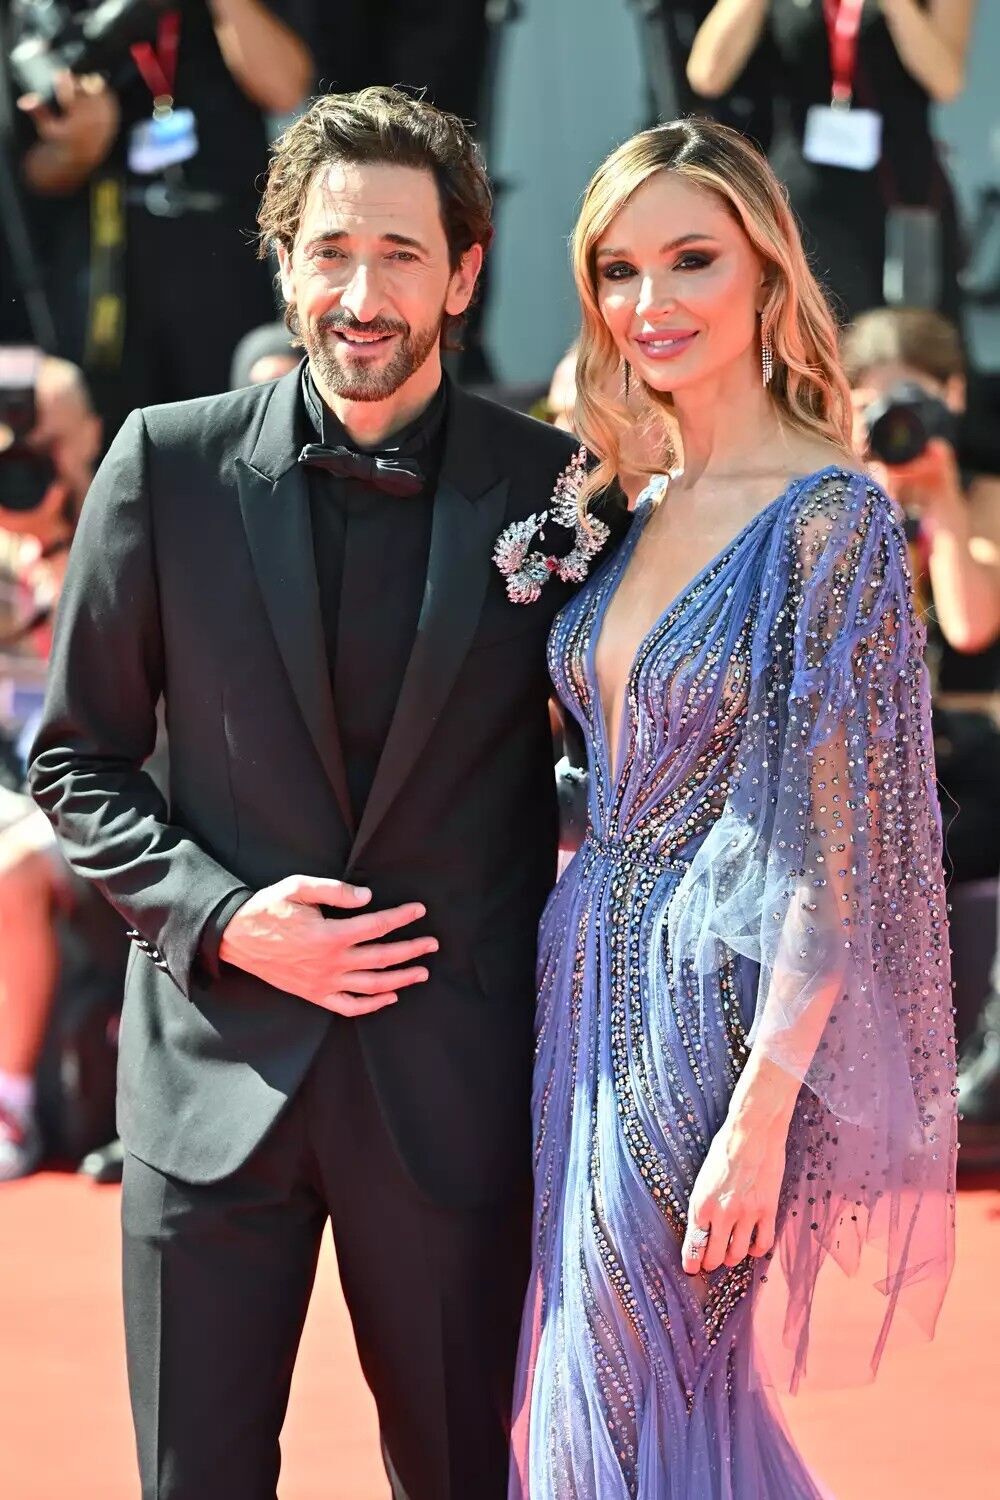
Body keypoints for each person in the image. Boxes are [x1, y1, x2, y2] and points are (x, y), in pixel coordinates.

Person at [28, 86, 627, 1500]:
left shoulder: (560, 494)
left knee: (456, 1476)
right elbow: (77, 763)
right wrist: (229, 920)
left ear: (466, 270)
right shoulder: (162, 464)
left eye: (403, 254)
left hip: (450, 1088)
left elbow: (630, 749)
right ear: (284, 259)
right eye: (331, 250)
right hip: (207, 1081)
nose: (363, 294)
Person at [508, 119, 957, 1499]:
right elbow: (507, 633)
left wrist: (762, 1113)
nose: (653, 302)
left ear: (769, 271)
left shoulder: (831, 517)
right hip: (576, 972)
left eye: (692, 259)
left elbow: (842, 852)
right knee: (587, 1363)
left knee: (633, 1381)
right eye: (620, 271)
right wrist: (574, 487)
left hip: (709, 1013)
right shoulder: (628, 504)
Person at [7, 0, 314, 439]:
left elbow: (286, 86)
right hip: (110, 268)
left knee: (239, 428)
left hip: (227, 253)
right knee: (123, 438)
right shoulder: (47, 11)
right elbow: (30, 174)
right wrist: (80, 146)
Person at [686, 1, 977, 323]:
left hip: (901, 193)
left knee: (913, 337)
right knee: (812, 331)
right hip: (802, 194)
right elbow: (707, 74)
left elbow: (947, 81)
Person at [841, 306, 1000, 882]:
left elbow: (969, 626)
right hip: (871, 771)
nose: (892, 421)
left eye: (909, 399)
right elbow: (865, 646)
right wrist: (879, 508)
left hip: (969, 771)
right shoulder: (834, 514)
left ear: (952, 395)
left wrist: (941, 502)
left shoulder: (985, 499)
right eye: (869, 408)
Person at [0, 354, 107, 1180]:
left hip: (91, 802)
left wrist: (70, 557)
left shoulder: (126, 531)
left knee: (11, 868)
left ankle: (10, 1104)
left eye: (47, 445)